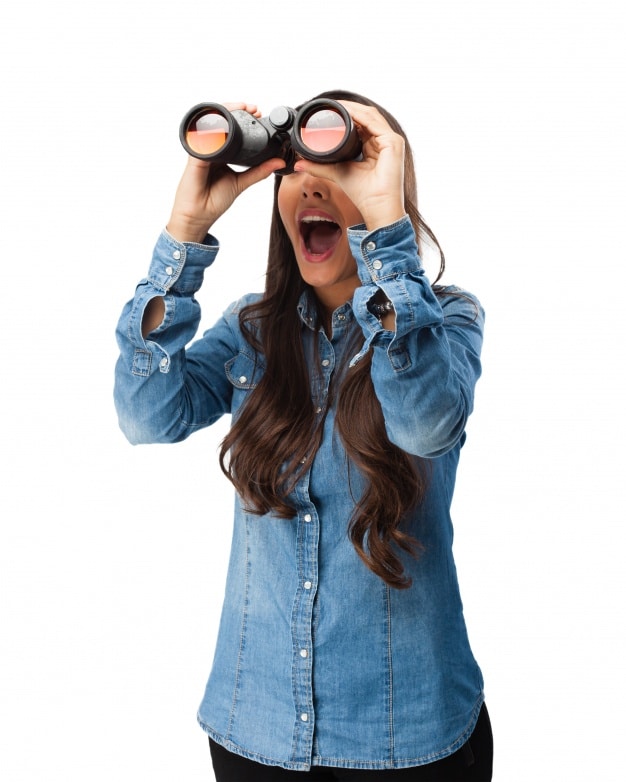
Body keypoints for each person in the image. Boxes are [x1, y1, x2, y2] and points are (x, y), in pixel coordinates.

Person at [114, 89, 492, 781]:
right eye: (293, 164)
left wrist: (388, 231)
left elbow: (423, 421)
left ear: (380, 189)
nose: (311, 180)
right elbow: (145, 413)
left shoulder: (448, 321)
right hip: (250, 729)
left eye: (341, 162)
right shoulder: (250, 332)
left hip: (404, 736)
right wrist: (185, 232)